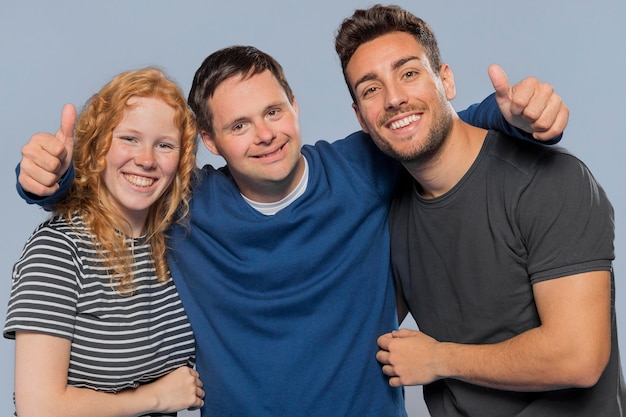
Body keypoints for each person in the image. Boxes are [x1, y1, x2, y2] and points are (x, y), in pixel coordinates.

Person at [14, 46, 567, 416]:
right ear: (210, 142)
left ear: (296, 106)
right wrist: (48, 179)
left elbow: (434, 129)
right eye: (238, 125)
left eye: (274, 112)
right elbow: (116, 191)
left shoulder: (361, 168)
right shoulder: (187, 204)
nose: (265, 135)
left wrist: (515, 115)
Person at [334, 4, 624, 416]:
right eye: (370, 89)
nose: (394, 98)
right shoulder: (392, 214)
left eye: (409, 73)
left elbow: (578, 357)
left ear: (446, 80)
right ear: (361, 118)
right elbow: (357, 328)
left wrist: (439, 359)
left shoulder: (548, 181)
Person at [4, 68, 205, 417]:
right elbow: (39, 407)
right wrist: (157, 397)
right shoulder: (58, 251)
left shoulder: (176, 239)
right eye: (129, 138)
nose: (146, 159)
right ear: (98, 145)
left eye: (164, 145)